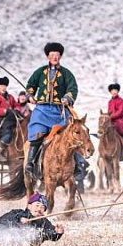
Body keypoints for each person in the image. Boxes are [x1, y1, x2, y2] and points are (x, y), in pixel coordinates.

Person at [24, 42, 84, 181]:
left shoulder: (66, 73)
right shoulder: (39, 72)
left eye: (57, 55)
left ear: (60, 56)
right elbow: (30, 85)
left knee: (71, 136)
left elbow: (72, 88)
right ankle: (30, 163)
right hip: (42, 110)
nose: (54, 57)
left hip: (59, 111)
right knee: (37, 133)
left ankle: (78, 165)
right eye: (52, 55)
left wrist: (67, 98)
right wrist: (30, 96)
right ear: (47, 56)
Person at [0, 76, 19, 160]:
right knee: (8, 133)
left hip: (12, 120)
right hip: (1, 122)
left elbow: (16, 105)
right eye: (1, 86)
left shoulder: (10, 97)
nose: (3, 87)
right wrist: (4, 111)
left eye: (4, 86)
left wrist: (16, 110)